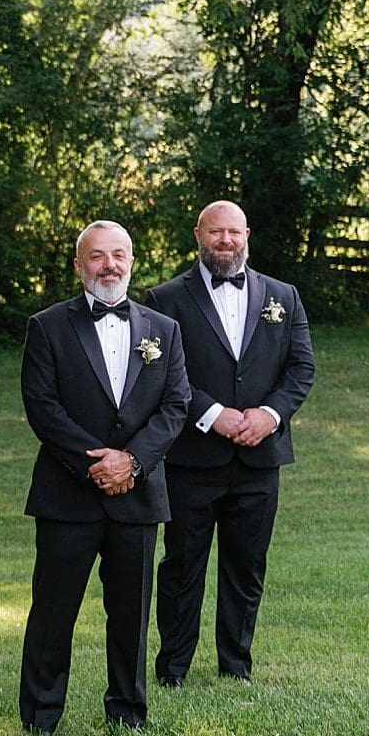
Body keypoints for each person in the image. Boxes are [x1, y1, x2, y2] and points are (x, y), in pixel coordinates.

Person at [19, 221, 190, 735]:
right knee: (53, 610)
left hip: (137, 496)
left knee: (132, 612)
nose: (109, 265)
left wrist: (131, 462)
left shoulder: (165, 330)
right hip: (66, 494)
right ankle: (41, 715)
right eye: (97, 256)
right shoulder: (47, 327)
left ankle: (128, 712)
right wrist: (96, 463)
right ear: (79, 266)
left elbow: (176, 405)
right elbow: (42, 407)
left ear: (132, 262)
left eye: (118, 255)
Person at [143, 201, 315, 685]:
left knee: (247, 565)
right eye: (215, 232)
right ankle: (172, 667)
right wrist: (213, 415)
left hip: (260, 458)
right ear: (198, 234)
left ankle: (235, 664)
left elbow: (301, 368)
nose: (225, 240)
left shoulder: (283, 296)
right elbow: (164, 379)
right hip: (192, 459)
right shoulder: (165, 300)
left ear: (247, 235)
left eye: (233, 232)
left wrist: (270, 414)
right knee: (182, 566)